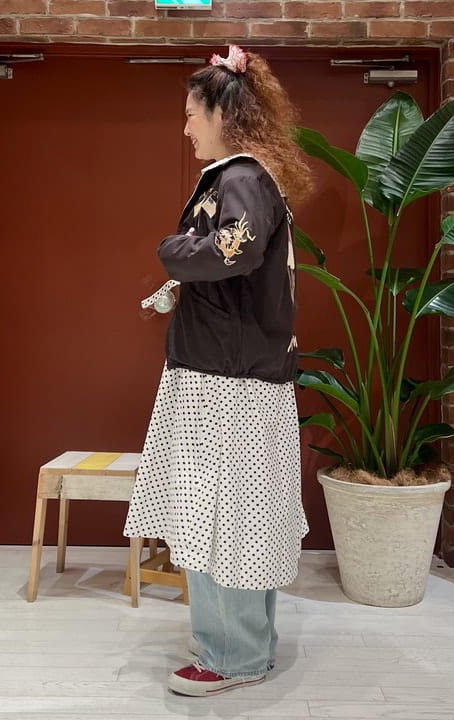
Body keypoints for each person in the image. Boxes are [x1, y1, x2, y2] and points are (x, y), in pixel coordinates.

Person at [124, 44, 312, 697]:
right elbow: (236, 261)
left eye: (190, 114)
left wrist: (171, 252)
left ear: (221, 115)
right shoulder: (253, 178)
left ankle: (231, 656)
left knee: (218, 518)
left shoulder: (241, 178)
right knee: (239, 518)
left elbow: (232, 250)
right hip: (238, 376)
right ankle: (243, 646)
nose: (185, 128)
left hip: (225, 383)